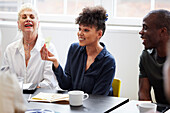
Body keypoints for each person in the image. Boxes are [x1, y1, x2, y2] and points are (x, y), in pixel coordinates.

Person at [40, 6, 116, 95]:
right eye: (79, 29)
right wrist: (56, 63)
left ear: (99, 33)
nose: (80, 33)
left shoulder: (108, 61)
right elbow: (66, 85)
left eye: (86, 30)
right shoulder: (74, 49)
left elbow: (98, 98)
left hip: (96, 107)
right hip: (75, 105)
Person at [1, 3, 59, 89]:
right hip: (16, 97)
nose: (28, 19)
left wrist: (29, 88)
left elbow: (50, 83)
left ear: (38, 24)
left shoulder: (48, 48)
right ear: (18, 24)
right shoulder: (10, 50)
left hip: (39, 98)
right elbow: (5, 80)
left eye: (32, 17)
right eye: (24, 17)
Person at [138, 9, 170, 104]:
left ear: (162, 31)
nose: (141, 32)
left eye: (145, 28)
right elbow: (143, 96)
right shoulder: (146, 56)